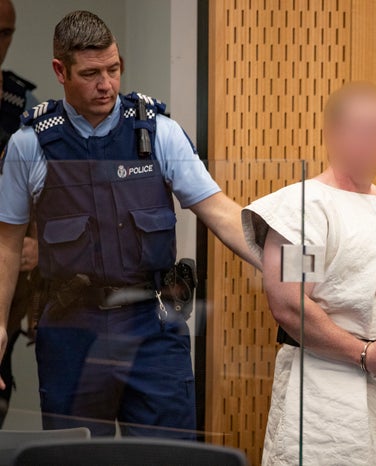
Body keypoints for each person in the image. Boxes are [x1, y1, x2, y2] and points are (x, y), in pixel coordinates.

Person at [0, 10, 258, 438]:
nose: (107, 85)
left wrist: (289, 263)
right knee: (75, 457)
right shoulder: (30, 145)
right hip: (72, 327)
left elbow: (221, 212)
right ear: (60, 71)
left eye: (114, 69)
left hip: (153, 325)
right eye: (91, 73)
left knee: (167, 456)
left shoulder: (159, 132)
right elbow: (7, 245)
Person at [242, 83, 376, 465]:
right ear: (331, 134)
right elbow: (292, 303)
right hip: (319, 392)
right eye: (360, 130)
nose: (371, 141)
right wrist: (364, 353)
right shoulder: (307, 210)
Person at [0, 0, 41, 427]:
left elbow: (46, 199)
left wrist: (38, 247)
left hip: (7, 287)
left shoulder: (23, 103)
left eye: (4, 33)